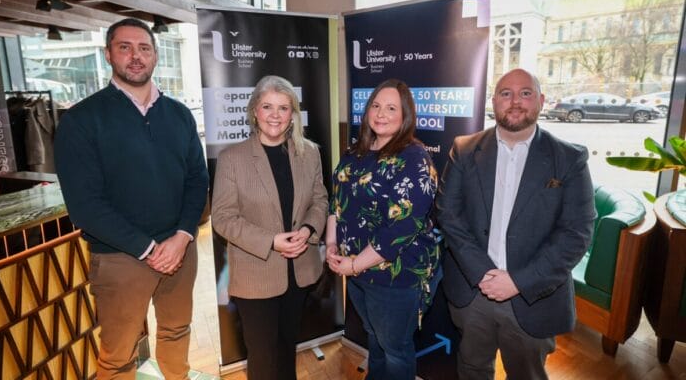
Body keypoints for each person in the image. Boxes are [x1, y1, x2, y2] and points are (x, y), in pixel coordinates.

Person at [54, 18, 209, 379]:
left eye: (144, 48)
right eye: (125, 47)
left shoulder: (179, 115)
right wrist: (149, 249)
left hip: (180, 251)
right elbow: (85, 206)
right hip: (120, 258)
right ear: (108, 54)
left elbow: (197, 180)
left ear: (155, 55)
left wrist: (182, 236)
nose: (135, 56)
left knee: (176, 333)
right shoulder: (81, 120)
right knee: (118, 356)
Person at [436, 68, 596, 379]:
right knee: (472, 369)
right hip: (473, 291)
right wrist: (484, 273)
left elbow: (576, 234)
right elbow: (448, 215)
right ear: (494, 100)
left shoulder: (569, 159)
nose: (515, 101)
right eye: (506, 93)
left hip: (533, 296)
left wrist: (518, 281)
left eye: (525, 93)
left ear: (541, 101)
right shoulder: (464, 149)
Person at [211, 75, 328, 380]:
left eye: (283, 108)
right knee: (262, 358)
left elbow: (320, 200)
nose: (275, 115)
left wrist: (308, 229)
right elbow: (222, 217)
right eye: (267, 106)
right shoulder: (232, 159)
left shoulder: (310, 153)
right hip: (255, 275)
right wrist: (272, 241)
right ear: (255, 111)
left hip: (299, 271)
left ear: (293, 115)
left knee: (287, 348)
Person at [326, 78, 440, 380]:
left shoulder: (414, 158)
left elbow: (402, 227)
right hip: (357, 272)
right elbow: (336, 201)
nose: (381, 113)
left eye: (391, 108)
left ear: (405, 115)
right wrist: (331, 243)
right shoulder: (355, 152)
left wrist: (354, 264)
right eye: (376, 105)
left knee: (395, 349)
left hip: (394, 277)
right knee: (374, 337)